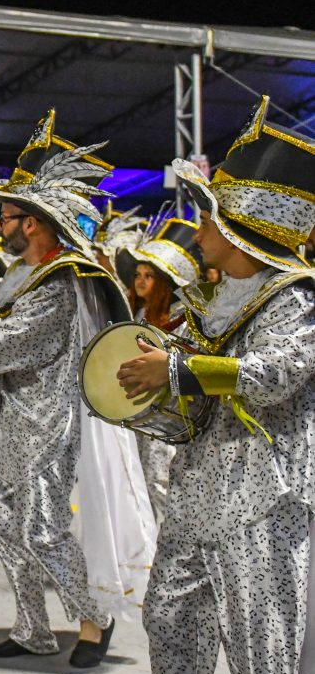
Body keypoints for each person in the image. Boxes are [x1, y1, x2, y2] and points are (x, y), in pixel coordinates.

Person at [0, 110, 155, 668]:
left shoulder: (64, 275)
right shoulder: (19, 274)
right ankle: (32, 627)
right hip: (11, 414)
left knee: (42, 529)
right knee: (3, 522)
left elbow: (18, 344)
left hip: (52, 418)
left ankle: (97, 619)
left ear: (35, 221)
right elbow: (1, 333)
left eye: (8, 214)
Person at [118, 99, 315, 674]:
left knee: (261, 640)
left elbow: (274, 372)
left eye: (207, 215)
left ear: (236, 233)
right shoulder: (212, 302)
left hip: (264, 499)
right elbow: (202, 400)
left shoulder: (297, 301)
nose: (196, 229)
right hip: (200, 488)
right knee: (170, 613)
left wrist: (175, 372)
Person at [121, 217, 202, 525]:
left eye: (149, 276)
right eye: (138, 274)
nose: (140, 281)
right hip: (138, 406)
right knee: (140, 476)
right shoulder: (137, 312)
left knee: (160, 477)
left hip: (169, 409)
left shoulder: (184, 318)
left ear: (165, 282)